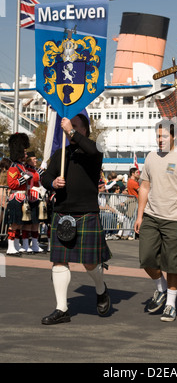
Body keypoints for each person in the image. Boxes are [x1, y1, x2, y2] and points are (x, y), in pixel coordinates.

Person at [41, 114, 111, 325]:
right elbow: (45, 176)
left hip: (87, 213)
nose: (70, 129)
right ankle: (62, 309)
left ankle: (101, 289)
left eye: (76, 126)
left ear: (85, 130)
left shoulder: (94, 151)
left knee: (90, 263)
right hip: (62, 213)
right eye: (69, 126)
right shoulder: (61, 153)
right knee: (59, 261)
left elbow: (91, 149)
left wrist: (70, 130)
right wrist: (53, 182)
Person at [134, 119, 177, 322]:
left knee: (173, 264)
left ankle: (170, 304)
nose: (160, 139)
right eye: (157, 136)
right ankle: (161, 288)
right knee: (146, 258)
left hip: (176, 218)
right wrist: (139, 215)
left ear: (174, 136)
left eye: (163, 136)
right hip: (152, 217)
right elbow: (144, 187)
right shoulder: (151, 157)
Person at [6, 133, 31, 256]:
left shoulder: (22, 166)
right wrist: (23, 179)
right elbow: (12, 184)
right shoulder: (14, 167)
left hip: (23, 197)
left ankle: (16, 245)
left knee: (20, 224)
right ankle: (10, 247)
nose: (26, 155)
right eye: (24, 152)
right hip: (16, 197)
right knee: (15, 223)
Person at [19, 151, 45, 254]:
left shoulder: (34, 170)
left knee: (36, 223)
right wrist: (41, 170)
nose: (35, 161)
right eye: (33, 159)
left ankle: (34, 244)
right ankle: (25, 244)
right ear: (29, 160)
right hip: (30, 198)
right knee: (28, 223)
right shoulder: (27, 170)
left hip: (37, 197)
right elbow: (34, 178)